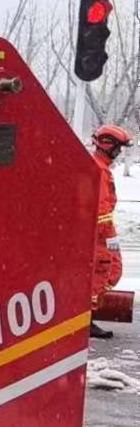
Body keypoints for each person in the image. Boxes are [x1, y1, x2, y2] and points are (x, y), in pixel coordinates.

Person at [94, 124, 130, 339]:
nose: (119, 153)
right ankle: (86, 320)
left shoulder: (101, 167)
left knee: (112, 268)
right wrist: (109, 237)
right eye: (118, 148)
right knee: (103, 269)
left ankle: (90, 314)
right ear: (108, 146)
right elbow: (101, 209)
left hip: (105, 231)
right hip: (101, 233)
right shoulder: (98, 170)